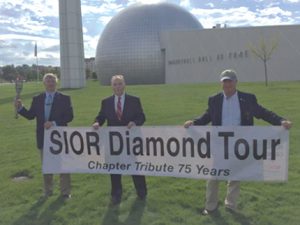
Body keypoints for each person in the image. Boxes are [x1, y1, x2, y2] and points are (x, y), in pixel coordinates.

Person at [184, 69, 292, 215]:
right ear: (221, 83)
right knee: (213, 175)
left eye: (230, 81)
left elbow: (263, 113)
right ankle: (210, 206)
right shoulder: (214, 100)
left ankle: (230, 205)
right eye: (224, 82)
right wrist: (194, 123)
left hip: (240, 144)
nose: (227, 84)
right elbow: (207, 116)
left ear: (235, 82)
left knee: (235, 175)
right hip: (219, 143)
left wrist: (280, 121)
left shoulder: (247, 99)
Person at [15, 73, 73, 199]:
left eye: (52, 81)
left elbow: (69, 116)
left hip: (60, 137)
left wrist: (53, 123)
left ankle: (65, 192)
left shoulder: (65, 98)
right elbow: (31, 115)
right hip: (43, 137)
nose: (50, 83)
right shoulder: (38, 99)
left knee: (63, 166)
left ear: (56, 83)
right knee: (47, 167)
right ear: (44, 83)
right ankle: (48, 191)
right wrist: (20, 108)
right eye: (48, 81)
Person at [92, 75, 147, 205]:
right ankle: (116, 194)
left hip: (131, 141)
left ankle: (142, 192)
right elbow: (101, 117)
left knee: (135, 167)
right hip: (113, 142)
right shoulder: (106, 102)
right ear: (112, 86)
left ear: (124, 85)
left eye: (120, 84)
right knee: (115, 168)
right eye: (115, 84)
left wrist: (134, 122)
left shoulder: (134, 100)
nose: (117, 87)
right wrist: (97, 123)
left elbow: (142, 117)